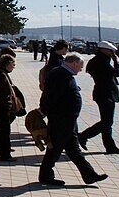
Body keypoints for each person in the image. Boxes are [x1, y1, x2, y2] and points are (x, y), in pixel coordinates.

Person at [38, 54, 108, 187]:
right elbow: (51, 95)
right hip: (61, 118)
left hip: (68, 119)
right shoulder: (60, 74)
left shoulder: (64, 74)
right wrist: (45, 111)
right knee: (55, 148)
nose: (81, 70)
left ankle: (89, 175)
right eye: (80, 66)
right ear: (74, 63)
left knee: (73, 149)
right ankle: (45, 176)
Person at [79, 41, 119, 154]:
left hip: (103, 93)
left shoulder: (98, 60)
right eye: (110, 51)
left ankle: (110, 146)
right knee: (107, 122)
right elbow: (116, 73)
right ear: (103, 50)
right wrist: (117, 61)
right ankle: (83, 136)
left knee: (106, 121)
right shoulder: (101, 62)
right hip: (105, 93)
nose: (112, 53)